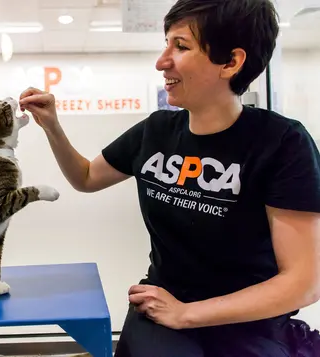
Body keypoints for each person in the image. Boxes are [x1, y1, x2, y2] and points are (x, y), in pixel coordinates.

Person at [19, 0, 320, 356]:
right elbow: (85, 177)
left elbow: (303, 282)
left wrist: (188, 314)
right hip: (161, 308)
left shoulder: (282, 143)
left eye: (181, 46)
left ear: (231, 62)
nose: (162, 61)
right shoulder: (156, 131)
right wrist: (52, 126)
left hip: (248, 322)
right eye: (166, 44)